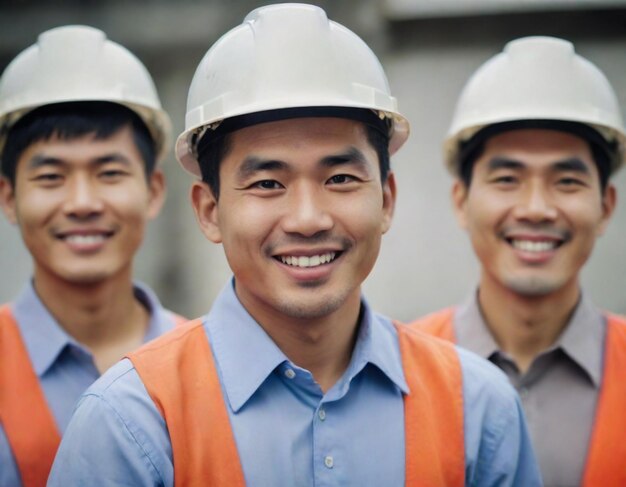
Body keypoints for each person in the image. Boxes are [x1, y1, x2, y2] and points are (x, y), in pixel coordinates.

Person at [49, 5, 541, 486]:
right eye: (267, 183)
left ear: (386, 199)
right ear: (209, 210)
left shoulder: (478, 410)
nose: (308, 219)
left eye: (341, 177)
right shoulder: (131, 423)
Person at [410, 36, 626, 486]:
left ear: (606, 205)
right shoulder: (395, 373)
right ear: (461, 200)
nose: (535, 208)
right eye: (507, 178)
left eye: (566, 181)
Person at [0, 25, 183, 487]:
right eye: (51, 177)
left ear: (154, 190)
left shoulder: (209, 363)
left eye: (109, 171)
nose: (82, 202)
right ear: (8, 198)